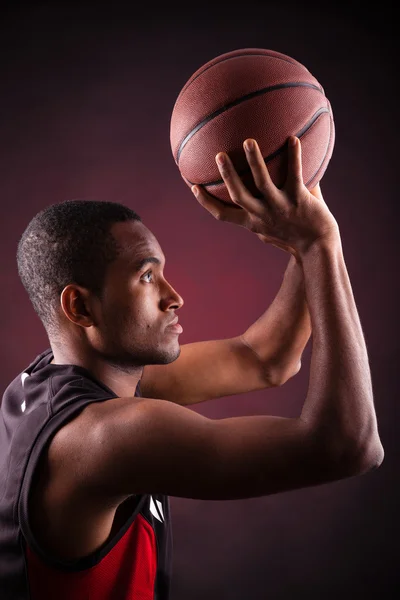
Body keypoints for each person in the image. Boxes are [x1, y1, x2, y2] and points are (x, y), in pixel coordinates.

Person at [0, 136, 384, 600]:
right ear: (80, 306)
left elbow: (264, 359)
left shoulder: (54, 383)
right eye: (146, 276)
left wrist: (303, 225)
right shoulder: (106, 437)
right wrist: (321, 243)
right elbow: (348, 446)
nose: (174, 296)